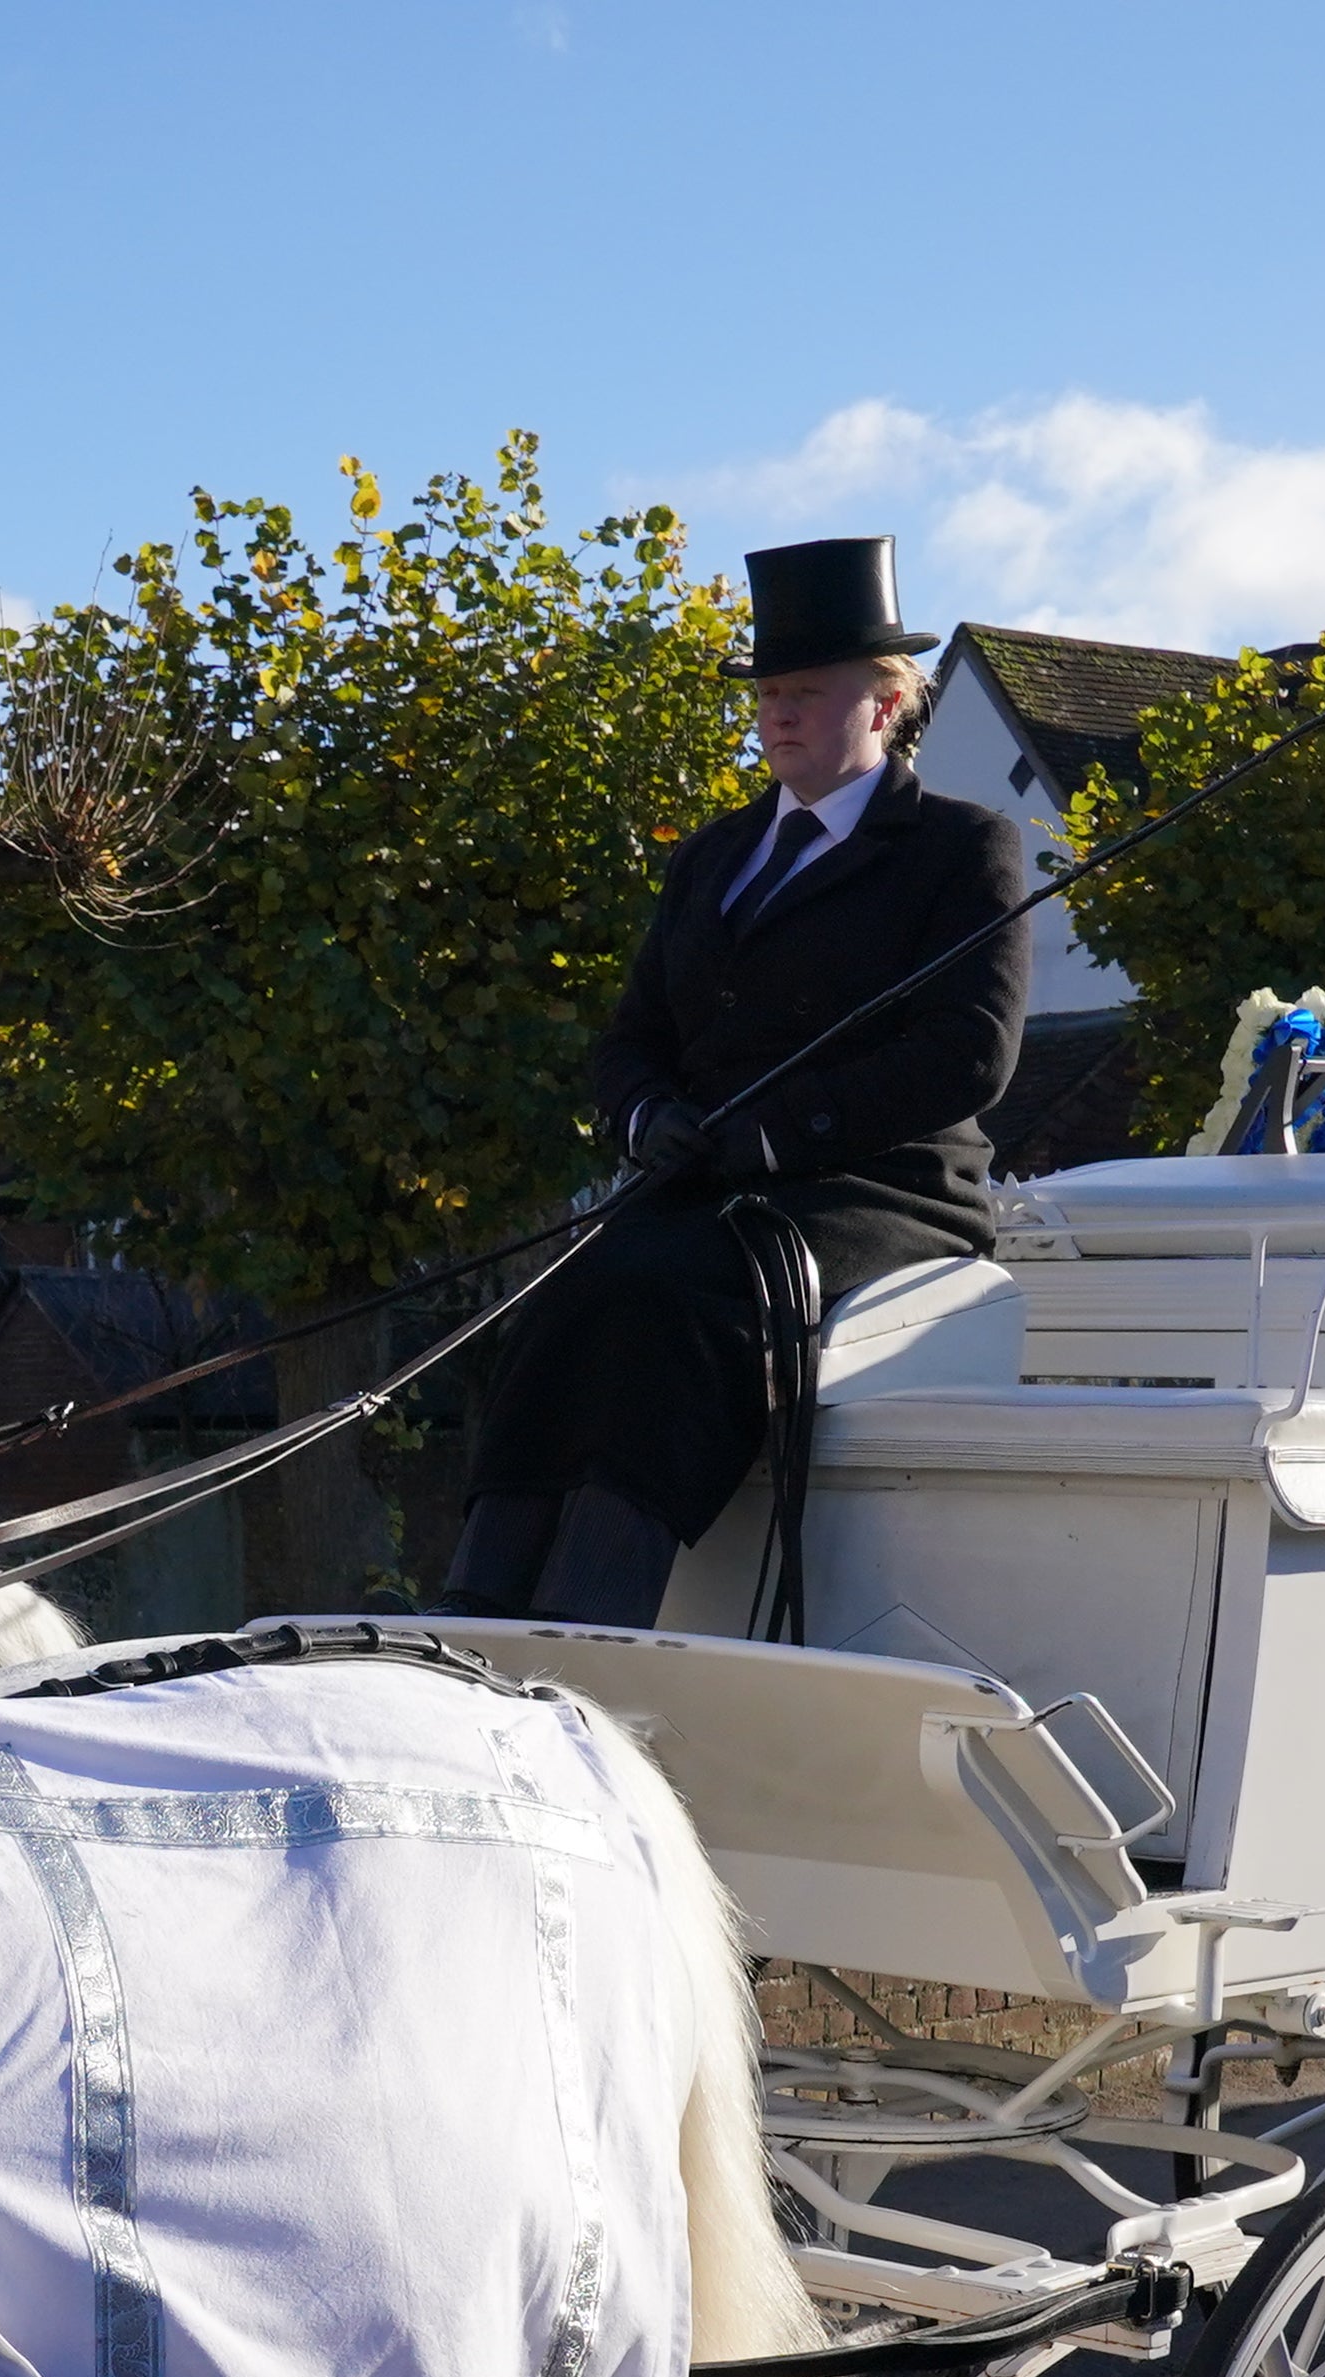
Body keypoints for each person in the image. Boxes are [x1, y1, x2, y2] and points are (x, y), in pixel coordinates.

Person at [433, 534, 1029, 1629]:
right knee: (565, 1297)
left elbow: (969, 1053)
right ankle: (473, 1609)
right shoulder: (714, 856)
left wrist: (774, 1133)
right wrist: (647, 1118)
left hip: (881, 1193)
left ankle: (592, 1619)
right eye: (768, 693)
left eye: (807, 692)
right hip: (705, 1188)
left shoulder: (958, 847)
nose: (779, 713)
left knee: (682, 1295)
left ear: (886, 703)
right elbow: (629, 1040)